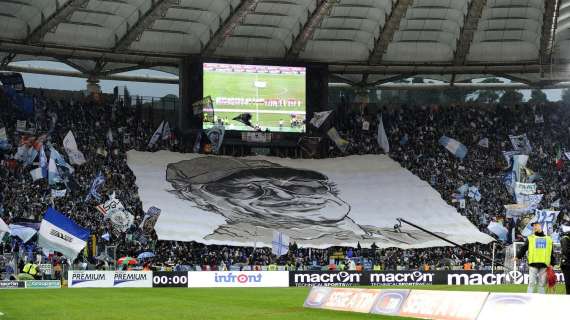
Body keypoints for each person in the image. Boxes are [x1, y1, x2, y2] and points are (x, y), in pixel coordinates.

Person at [515, 222, 554, 294]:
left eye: (536, 225)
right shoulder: (530, 238)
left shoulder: (549, 239)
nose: (534, 227)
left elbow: (551, 252)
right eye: (533, 226)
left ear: (541, 226)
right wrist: (518, 256)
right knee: (531, 283)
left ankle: (541, 301)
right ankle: (528, 300)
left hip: (544, 265)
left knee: (542, 285)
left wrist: (552, 263)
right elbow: (524, 248)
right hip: (533, 264)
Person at [560, 225, 570, 295]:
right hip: (567, 264)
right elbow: (566, 251)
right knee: (568, 283)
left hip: (567, 263)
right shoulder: (565, 239)